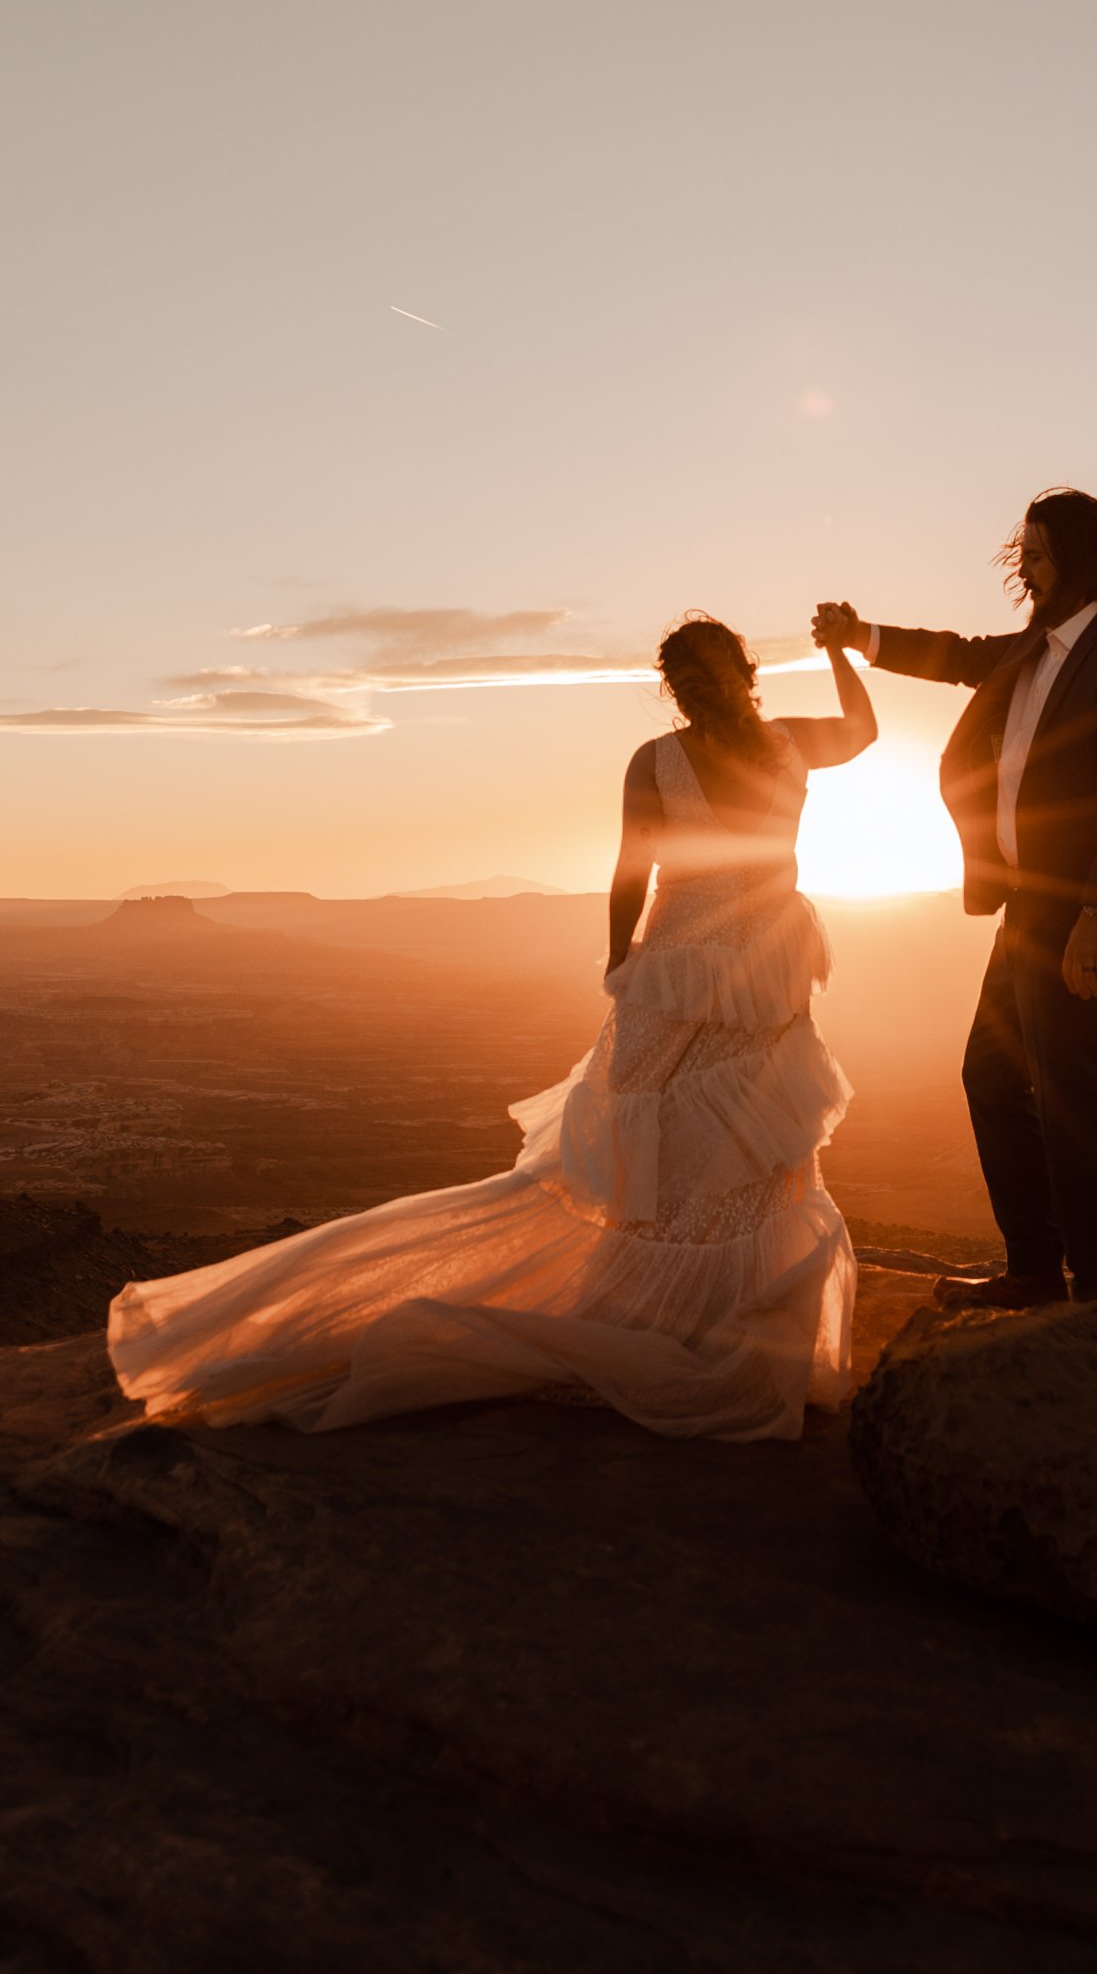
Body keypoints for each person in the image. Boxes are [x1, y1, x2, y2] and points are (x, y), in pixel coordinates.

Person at [107, 615, 876, 1440]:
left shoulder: (657, 761)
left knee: (644, 1149)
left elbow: (630, 871)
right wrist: (838, 649)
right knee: (746, 1151)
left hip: (678, 967)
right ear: (746, 672)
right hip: (761, 966)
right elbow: (862, 731)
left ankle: (656, 1314)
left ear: (674, 687)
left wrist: (620, 965)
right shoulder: (786, 741)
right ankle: (715, 1324)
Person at [813, 487, 1097, 1309]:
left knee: (1071, 1096)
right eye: (1024, 553)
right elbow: (956, 655)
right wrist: (861, 637)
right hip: (1026, 905)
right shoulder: (1031, 648)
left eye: (1039, 553)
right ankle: (1036, 1269)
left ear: (1084, 558)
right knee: (991, 1076)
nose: (1026, 567)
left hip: (1078, 909)